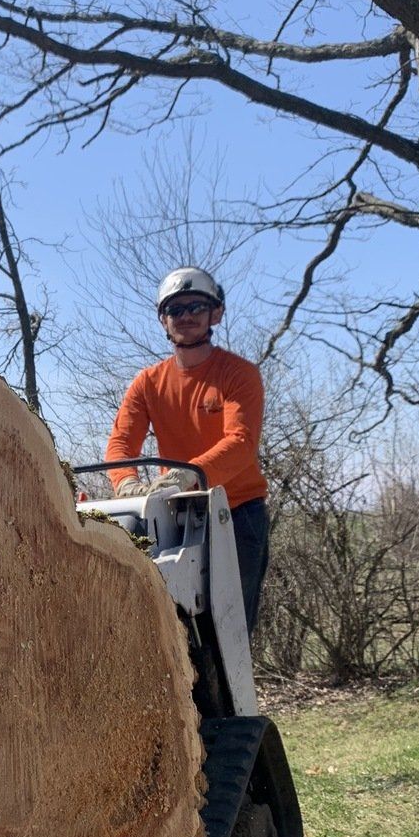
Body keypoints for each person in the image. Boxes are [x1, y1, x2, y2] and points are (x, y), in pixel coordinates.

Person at [105, 267, 269, 631]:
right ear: (163, 320)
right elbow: (120, 444)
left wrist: (186, 475)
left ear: (216, 314)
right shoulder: (148, 382)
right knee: (174, 628)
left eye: (196, 306)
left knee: (231, 631)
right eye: (176, 310)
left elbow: (240, 444)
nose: (187, 316)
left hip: (237, 513)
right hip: (174, 517)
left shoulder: (238, 374)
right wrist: (126, 483)